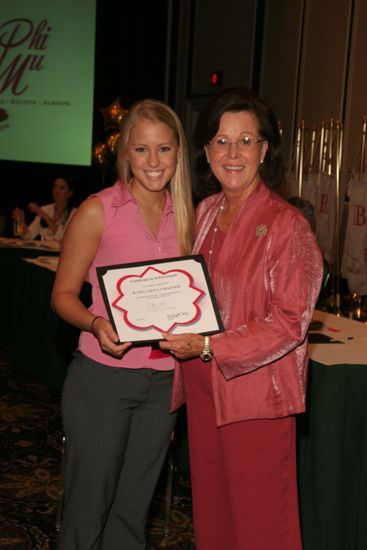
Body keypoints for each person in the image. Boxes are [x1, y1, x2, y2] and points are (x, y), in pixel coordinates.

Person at [159, 87, 324, 550]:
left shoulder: (287, 224)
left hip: (254, 394)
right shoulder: (205, 212)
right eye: (221, 141)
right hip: (201, 382)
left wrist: (212, 346)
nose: (233, 153)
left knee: (261, 525)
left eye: (245, 141)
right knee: (213, 513)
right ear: (206, 150)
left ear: (264, 149)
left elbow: (290, 322)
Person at [51, 98, 194, 550]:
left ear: (178, 153)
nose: (153, 162)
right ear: (125, 153)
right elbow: (62, 296)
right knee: (88, 511)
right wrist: (95, 324)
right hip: (102, 380)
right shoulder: (98, 210)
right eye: (141, 150)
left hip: (164, 383)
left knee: (132, 515)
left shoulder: (190, 215)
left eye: (164, 149)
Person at [12, 174, 76, 242]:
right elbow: (28, 236)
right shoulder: (45, 209)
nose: (57, 190)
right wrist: (21, 221)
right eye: (55, 186)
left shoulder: (75, 213)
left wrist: (45, 216)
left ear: (70, 193)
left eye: (62, 187)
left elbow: (63, 238)